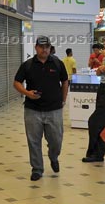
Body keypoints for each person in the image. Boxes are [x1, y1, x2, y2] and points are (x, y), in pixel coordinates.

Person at [14, 36, 69, 181]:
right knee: (33, 141)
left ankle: (53, 156)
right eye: (41, 46)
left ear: (50, 48)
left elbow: (65, 81)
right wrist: (27, 93)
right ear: (36, 47)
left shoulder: (58, 63)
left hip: (54, 110)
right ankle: (37, 169)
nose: (44, 49)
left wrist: (63, 100)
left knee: (56, 140)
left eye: (47, 47)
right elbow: (17, 82)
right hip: (32, 110)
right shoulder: (27, 65)